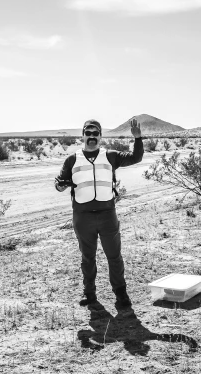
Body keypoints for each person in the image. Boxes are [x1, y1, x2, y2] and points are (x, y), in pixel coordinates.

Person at [54, 118, 143, 308]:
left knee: (114, 256)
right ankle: (89, 294)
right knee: (87, 257)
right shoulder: (72, 159)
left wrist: (138, 139)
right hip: (82, 216)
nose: (92, 137)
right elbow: (59, 183)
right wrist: (60, 186)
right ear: (83, 135)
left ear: (100, 136)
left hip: (107, 214)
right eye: (89, 133)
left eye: (96, 133)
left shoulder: (110, 156)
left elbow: (136, 158)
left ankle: (121, 294)